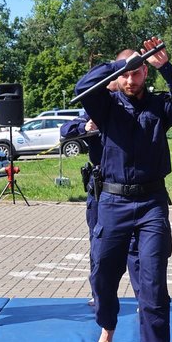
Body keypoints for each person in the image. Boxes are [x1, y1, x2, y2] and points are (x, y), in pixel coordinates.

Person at [74, 36, 172, 342]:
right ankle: (107, 325)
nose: (131, 79)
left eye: (137, 72)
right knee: (102, 275)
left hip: (151, 204)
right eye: (127, 74)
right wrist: (118, 65)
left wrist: (165, 65)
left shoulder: (159, 107)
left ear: (146, 73)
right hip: (112, 202)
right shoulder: (106, 105)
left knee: (153, 280)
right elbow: (82, 87)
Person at [60, 108, 139, 306]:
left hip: (129, 186)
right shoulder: (95, 108)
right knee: (98, 243)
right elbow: (65, 129)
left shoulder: (132, 107)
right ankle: (99, 295)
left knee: (135, 246)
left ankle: (144, 298)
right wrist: (84, 127)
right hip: (101, 188)